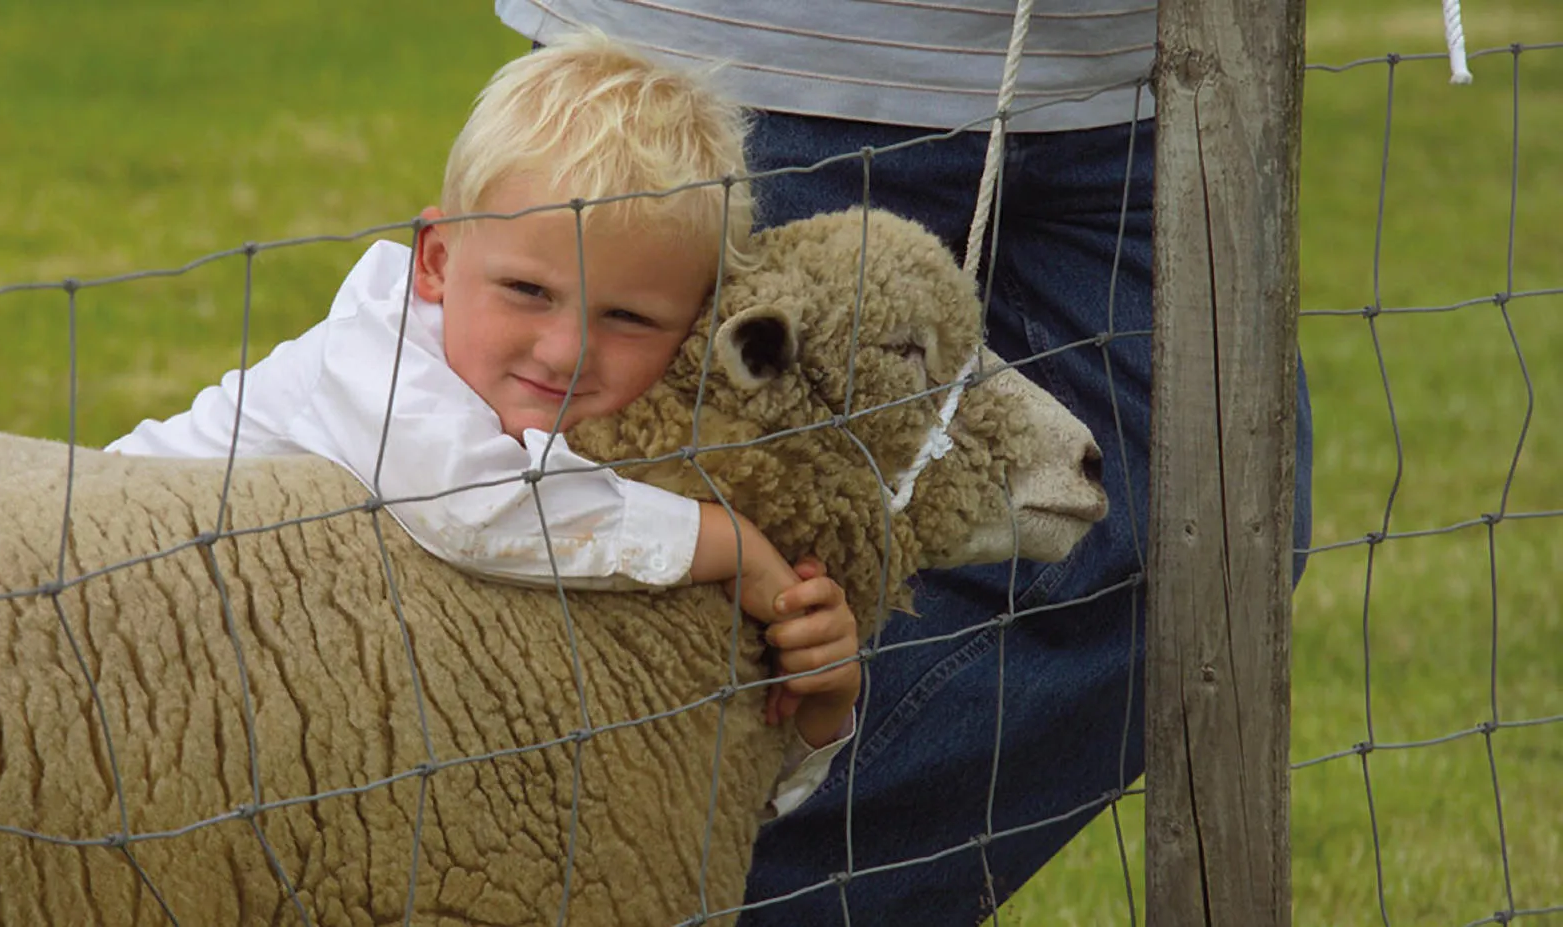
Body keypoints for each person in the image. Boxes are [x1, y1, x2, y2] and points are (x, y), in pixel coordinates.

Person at [492, 3, 1316, 924]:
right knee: (682, 612)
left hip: (1127, 79)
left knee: (1206, 534)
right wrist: (715, 540)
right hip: (747, 69)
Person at [107, 33, 862, 816]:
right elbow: (477, 511)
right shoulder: (379, 358)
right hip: (110, 598)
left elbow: (707, 793)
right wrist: (727, 545)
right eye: (528, 291)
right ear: (435, 258)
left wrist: (821, 702)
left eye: (630, 316)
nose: (566, 351)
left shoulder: (651, 449)